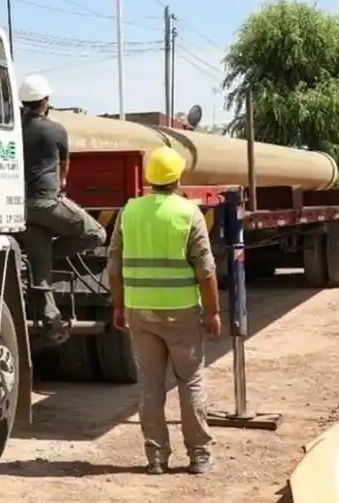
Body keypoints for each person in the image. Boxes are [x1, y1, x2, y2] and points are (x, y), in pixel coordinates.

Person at [109, 146, 221, 476]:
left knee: (150, 384)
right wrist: (213, 313)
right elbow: (206, 270)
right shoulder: (188, 214)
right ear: (177, 177)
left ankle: (156, 458)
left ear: (149, 178)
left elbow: (113, 267)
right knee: (191, 380)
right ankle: (199, 456)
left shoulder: (129, 212)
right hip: (182, 313)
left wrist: (118, 305)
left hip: (139, 311)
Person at [17, 74, 108, 342]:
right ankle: (47, 259)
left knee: (41, 263)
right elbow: (64, 171)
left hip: (19, 209)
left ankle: (51, 320)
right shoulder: (56, 130)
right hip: (46, 202)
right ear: (45, 101)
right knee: (96, 235)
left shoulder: (11, 129)